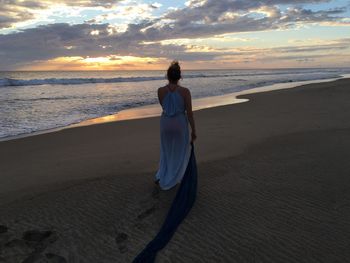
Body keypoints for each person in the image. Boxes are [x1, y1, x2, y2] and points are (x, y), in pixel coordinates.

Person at [154, 61, 197, 190]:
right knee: (180, 150)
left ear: (167, 76)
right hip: (179, 123)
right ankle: (176, 176)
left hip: (166, 123)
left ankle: (164, 174)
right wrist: (194, 130)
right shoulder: (185, 91)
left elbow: (165, 107)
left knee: (166, 150)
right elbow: (189, 113)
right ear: (180, 76)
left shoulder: (160, 91)